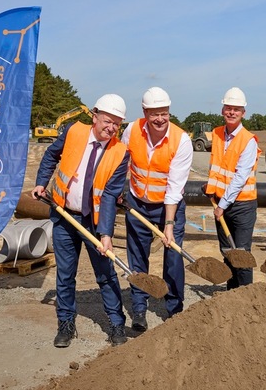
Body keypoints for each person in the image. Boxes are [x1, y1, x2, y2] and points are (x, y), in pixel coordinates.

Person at [31, 94, 129, 348]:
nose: (111, 128)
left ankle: (117, 324)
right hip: (64, 215)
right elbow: (52, 156)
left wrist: (105, 234)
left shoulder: (120, 152)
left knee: (106, 274)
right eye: (108, 121)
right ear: (95, 116)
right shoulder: (73, 131)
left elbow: (108, 195)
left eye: (117, 124)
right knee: (65, 274)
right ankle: (66, 323)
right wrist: (42, 183)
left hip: (94, 222)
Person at [120, 87, 193, 331]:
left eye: (164, 113)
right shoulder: (131, 130)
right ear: (145, 112)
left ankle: (174, 310)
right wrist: (121, 194)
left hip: (167, 207)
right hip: (138, 203)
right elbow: (121, 163)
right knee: (138, 257)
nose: (160, 119)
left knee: (173, 256)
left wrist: (169, 225)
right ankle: (139, 309)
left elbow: (174, 187)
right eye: (154, 114)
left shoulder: (181, 140)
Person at [204, 87, 261, 290]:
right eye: (228, 108)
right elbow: (217, 166)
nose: (231, 112)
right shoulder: (217, 134)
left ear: (243, 113)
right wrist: (211, 188)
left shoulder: (248, 140)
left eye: (236, 109)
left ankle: (245, 296)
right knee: (228, 251)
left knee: (242, 253)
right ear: (222, 110)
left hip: (242, 205)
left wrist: (223, 204)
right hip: (220, 201)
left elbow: (239, 177)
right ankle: (232, 293)